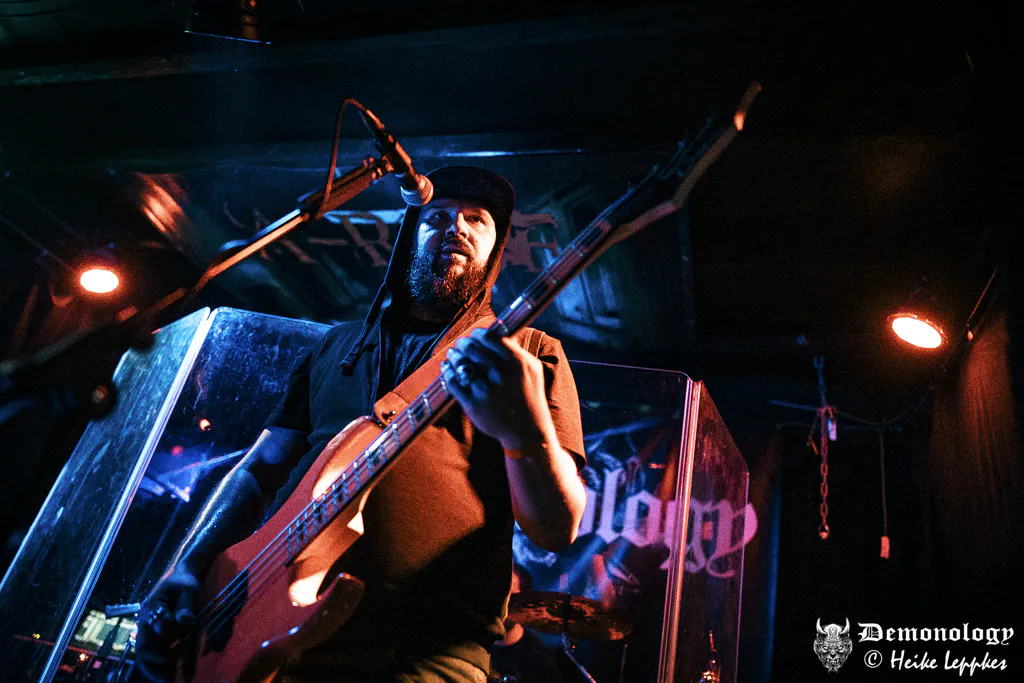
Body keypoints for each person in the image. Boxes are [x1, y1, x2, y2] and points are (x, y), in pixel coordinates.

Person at [135, 166, 588, 683]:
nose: (457, 227)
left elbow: (557, 529)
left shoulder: (527, 353)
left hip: (422, 656)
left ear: (496, 250)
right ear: (409, 234)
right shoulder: (335, 344)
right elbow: (259, 469)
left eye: (476, 219)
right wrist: (187, 566)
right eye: (438, 216)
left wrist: (525, 433)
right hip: (265, 631)